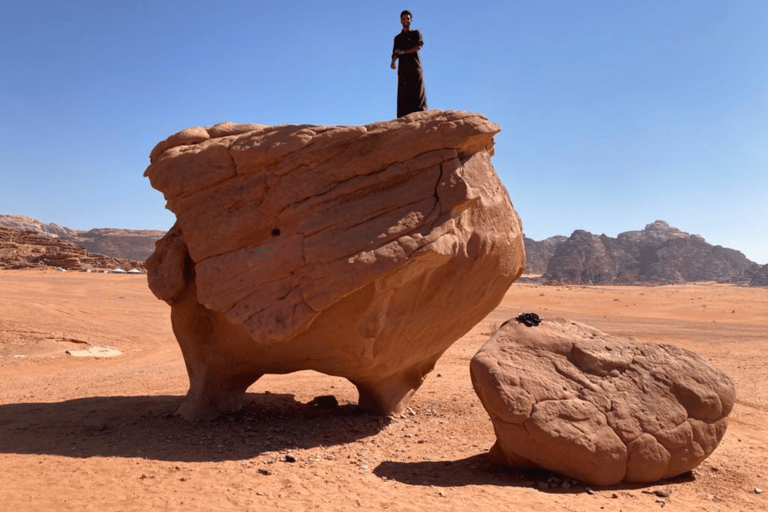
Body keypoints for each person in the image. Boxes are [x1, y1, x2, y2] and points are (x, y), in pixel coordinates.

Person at [390, 10, 428, 118]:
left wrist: (403, 52)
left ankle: (422, 117)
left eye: (408, 18)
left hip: (415, 67)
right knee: (403, 95)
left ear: (411, 20)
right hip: (403, 69)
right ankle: (404, 119)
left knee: (418, 93)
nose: (406, 20)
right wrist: (393, 61)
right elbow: (395, 52)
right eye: (404, 18)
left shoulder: (416, 33)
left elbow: (418, 46)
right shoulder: (397, 38)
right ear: (401, 21)